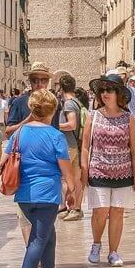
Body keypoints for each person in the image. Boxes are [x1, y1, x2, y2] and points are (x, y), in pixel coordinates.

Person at [12, 90, 77, 268]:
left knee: (48, 236)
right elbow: (66, 170)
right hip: (47, 194)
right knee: (38, 240)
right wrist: (71, 191)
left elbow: (5, 158)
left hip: (23, 194)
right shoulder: (55, 135)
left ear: (31, 108)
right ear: (53, 110)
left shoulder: (19, 134)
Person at [83, 73, 135, 267]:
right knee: (100, 212)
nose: (105, 93)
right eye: (102, 90)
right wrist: (84, 171)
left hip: (123, 172)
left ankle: (114, 252)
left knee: (117, 212)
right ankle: (96, 244)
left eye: (109, 90)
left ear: (118, 93)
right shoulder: (92, 116)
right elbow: (85, 146)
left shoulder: (128, 118)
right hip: (98, 171)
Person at [56, 75, 84, 220]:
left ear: (61, 87)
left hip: (67, 145)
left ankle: (64, 207)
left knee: (64, 178)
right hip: (74, 145)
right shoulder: (77, 102)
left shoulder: (68, 104)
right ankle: (76, 208)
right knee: (76, 178)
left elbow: (71, 124)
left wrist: (54, 126)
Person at [6, 62, 54, 137]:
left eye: (43, 80)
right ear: (30, 81)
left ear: (48, 81)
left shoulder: (53, 103)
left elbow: (57, 131)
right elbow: (8, 133)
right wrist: (28, 120)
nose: (39, 84)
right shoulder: (19, 102)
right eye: (35, 80)